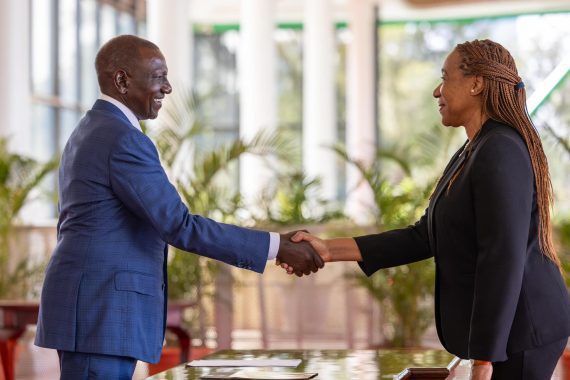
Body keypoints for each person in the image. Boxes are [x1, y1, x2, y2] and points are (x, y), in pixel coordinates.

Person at [34, 34, 323, 380]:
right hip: (102, 312)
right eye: (158, 77)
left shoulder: (93, 129)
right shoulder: (120, 137)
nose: (167, 88)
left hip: (95, 310)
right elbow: (179, 225)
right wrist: (277, 247)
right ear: (122, 80)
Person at [284, 39, 570, 380]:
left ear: (476, 83)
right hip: (510, 331)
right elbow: (425, 235)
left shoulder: (500, 149)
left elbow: (501, 256)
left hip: (522, 330)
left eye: (445, 77)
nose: (437, 91)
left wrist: (483, 360)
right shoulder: (475, 148)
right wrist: (329, 249)